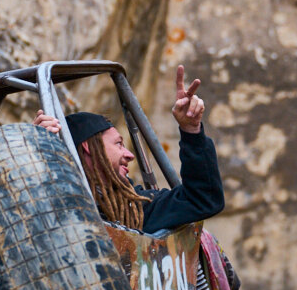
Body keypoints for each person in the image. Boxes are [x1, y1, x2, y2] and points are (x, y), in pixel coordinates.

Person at [34, 65, 225, 234]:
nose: (130, 155)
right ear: (88, 147)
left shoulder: (135, 207)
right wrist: (36, 153)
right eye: (118, 144)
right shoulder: (45, 203)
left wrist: (191, 130)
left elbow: (203, 199)